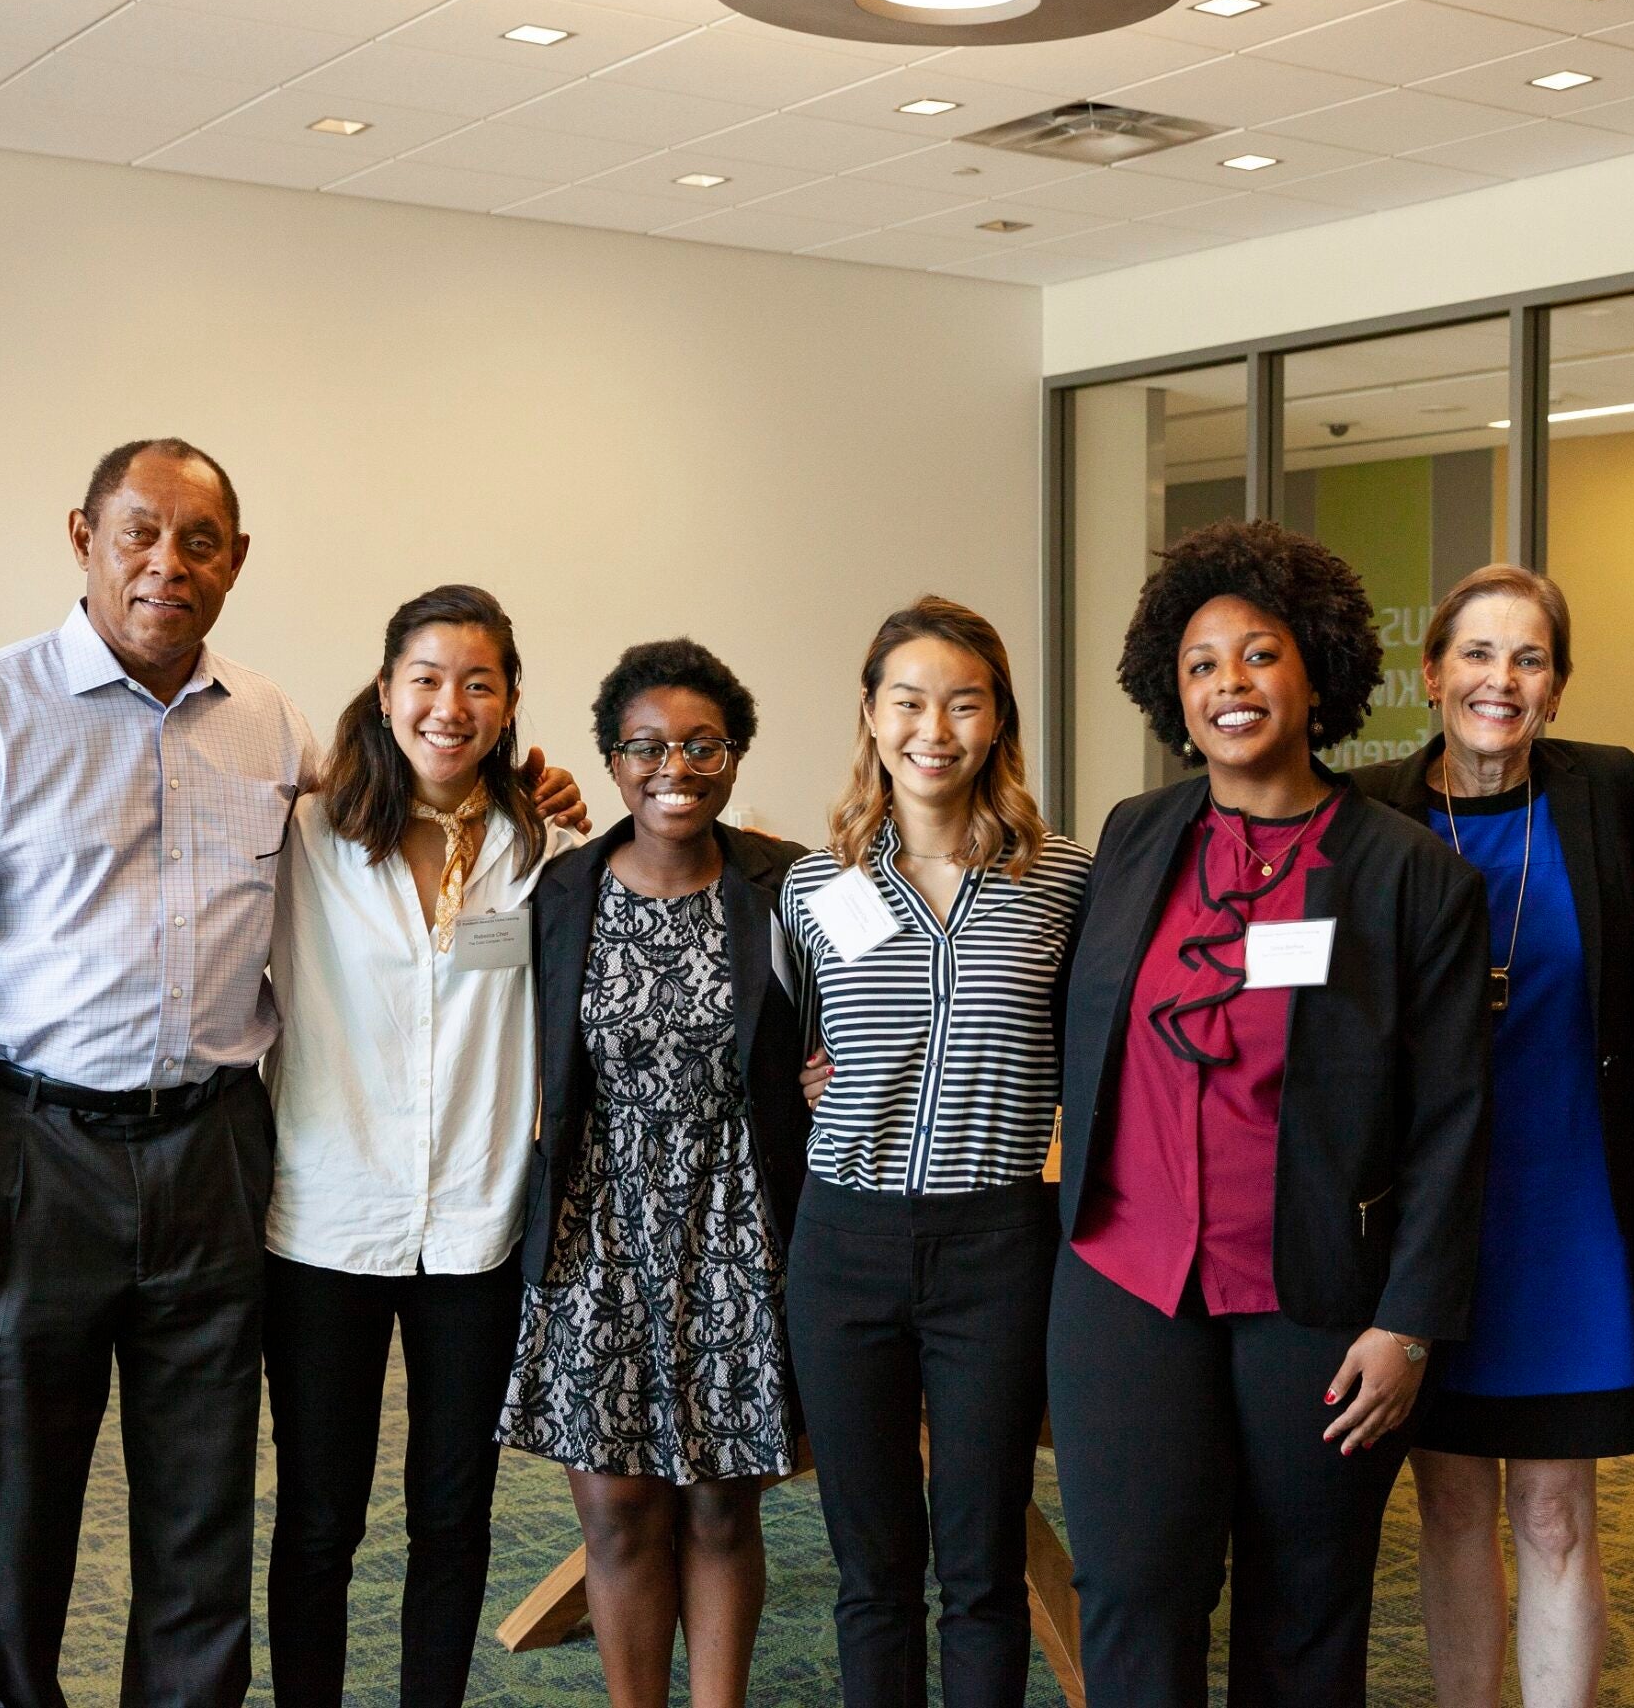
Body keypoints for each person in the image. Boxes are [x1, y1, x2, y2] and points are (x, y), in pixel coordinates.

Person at [0, 438, 581, 1707]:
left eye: (199, 543)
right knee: (15, 1508)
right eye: (140, 533)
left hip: (216, 1151)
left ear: (236, 562)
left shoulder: (272, 724)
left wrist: (523, 783)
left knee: (202, 1510)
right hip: (29, 1153)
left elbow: (404, 809)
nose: (166, 565)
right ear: (84, 537)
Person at [1049, 517, 1494, 1707]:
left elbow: (1454, 1121)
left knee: (1305, 1604)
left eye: (1257, 654)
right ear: (1169, 691)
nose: (1227, 685)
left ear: (1316, 674)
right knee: (1134, 1588)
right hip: (1124, 1281)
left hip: (1315, 1297)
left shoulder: (1410, 876)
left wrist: (1407, 1321)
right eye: (1199, 664)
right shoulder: (1135, 837)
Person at [261, 585, 579, 1707]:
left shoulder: (545, 850)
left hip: (477, 1229)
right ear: (387, 689)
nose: (451, 704)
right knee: (318, 1514)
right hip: (325, 1220)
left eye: (479, 682)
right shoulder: (302, 837)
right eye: (429, 679)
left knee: (454, 1510)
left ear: (508, 704)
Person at [1351, 566, 1634, 1708]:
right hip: (1433, 1220)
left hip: (1565, 1205)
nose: (1500, 680)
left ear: (1558, 689)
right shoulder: (1371, 807)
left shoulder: (1604, 792)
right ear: (1430, 673)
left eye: (1528, 659)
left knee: (1555, 1507)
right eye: (1476, 654)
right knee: (1451, 1503)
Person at [778, 598, 1090, 1708]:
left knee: (981, 1563)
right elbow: (790, 1047)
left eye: (964, 701)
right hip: (844, 1244)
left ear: (998, 717)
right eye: (908, 700)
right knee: (871, 1568)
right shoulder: (815, 887)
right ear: (870, 714)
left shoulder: (1063, 880)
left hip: (997, 1244)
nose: (934, 727)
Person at [498, 639, 812, 1708]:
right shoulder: (560, 887)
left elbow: (860, 1012)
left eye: (699, 743)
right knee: (619, 1509)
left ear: (733, 758)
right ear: (612, 759)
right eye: (643, 745)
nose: (671, 764)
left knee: (725, 1506)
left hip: (737, 1225)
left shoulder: (786, 883)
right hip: (599, 1223)